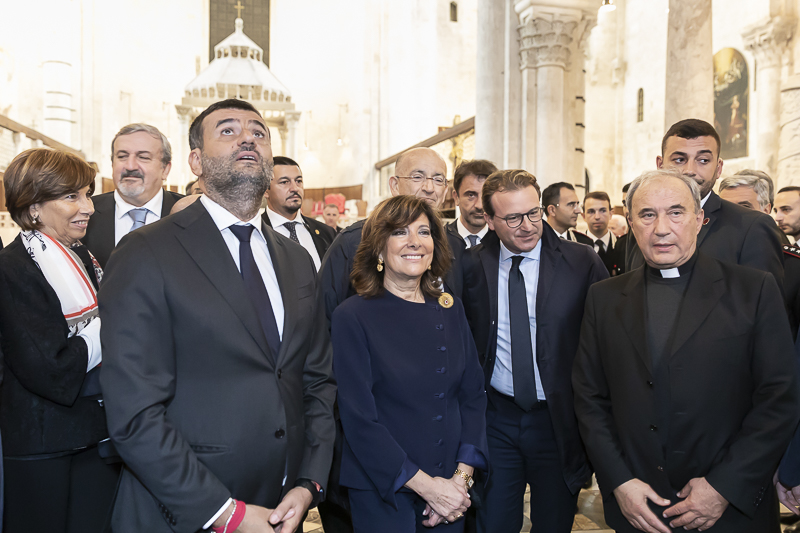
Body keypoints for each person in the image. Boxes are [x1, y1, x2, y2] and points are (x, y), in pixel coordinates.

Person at [99, 99, 336, 533]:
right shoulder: (146, 251)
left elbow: (317, 379)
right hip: (184, 508)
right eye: (227, 130)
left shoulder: (297, 259)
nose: (248, 138)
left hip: (282, 505)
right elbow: (134, 410)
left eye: (259, 132)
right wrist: (225, 513)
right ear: (196, 161)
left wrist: (308, 482)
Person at [573, 168, 798, 533]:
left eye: (676, 212)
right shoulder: (604, 298)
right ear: (631, 222)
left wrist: (723, 487)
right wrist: (620, 481)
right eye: (647, 214)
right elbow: (589, 398)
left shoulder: (753, 290)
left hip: (730, 507)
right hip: (639, 505)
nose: (661, 228)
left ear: (699, 218)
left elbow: (779, 398)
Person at [459, 170, 608, 533]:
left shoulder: (581, 262)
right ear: (490, 220)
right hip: (496, 419)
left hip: (557, 422)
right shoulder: (470, 265)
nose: (527, 226)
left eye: (533, 213)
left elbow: (607, 339)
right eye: (513, 218)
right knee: (494, 523)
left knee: (554, 523)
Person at [332, 195, 488, 532]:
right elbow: (359, 420)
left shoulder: (450, 308)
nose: (415, 242)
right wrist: (430, 489)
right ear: (378, 248)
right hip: (383, 489)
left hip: (451, 488)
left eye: (424, 232)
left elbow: (473, 397)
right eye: (400, 232)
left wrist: (460, 481)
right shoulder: (352, 316)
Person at [0, 148, 120, 533]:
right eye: (72, 196)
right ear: (34, 206)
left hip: (96, 436)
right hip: (43, 446)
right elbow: (52, 371)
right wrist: (111, 320)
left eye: (87, 194)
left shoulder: (82, 256)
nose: (88, 207)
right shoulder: (13, 269)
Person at [626, 119, 784, 294]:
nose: (690, 170)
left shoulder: (752, 226)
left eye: (703, 160)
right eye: (679, 160)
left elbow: (764, 302)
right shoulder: (644, 223)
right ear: (660, 165)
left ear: (718, 168)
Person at [320, 146, 450, 322]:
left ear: (445, 190)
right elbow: (324, 316)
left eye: (438, 179)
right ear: (395, 186)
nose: (429, 188)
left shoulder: (451, 242)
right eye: (417, 177)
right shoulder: (353, 240)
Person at [82, 123, 183, 267]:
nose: (130, 166)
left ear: (165, 169)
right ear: (112, 164)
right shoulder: (85, 213)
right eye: (122, 156)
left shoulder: (188, 213)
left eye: (143, 157)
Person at [263, 156, 336, 271]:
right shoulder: (254, 234)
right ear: (265, 190)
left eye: (298, 181)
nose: (295, 188)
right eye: (284, 182)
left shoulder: (326, 233)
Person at [446, 159, 497, 250]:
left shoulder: (505, 242)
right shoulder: (438, 241)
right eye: (471, 195)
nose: (480, 206)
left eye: (486, 196)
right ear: (456, 197)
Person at [583, 191, 625, 276]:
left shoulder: (623, 246)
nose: (597, 217)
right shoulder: (577, 245)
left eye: (603, 211)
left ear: (611, 214)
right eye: (591, 211)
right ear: (583, 216)